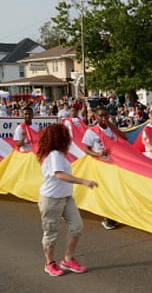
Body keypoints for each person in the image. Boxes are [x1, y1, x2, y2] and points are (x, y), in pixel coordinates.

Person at [36, 123, 98, 276]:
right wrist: (83, 181)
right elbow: (59, 175)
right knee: (51, 233)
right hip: (51, 199)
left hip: (65, 198)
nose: (69, 138)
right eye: (66, 135)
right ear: (59, 137)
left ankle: (68, 259)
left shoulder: (59, 154)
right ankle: (49, 263)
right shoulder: (55, 155)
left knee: (76, 226)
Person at [82, 107, 122, 230]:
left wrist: (110, 124)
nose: (104, 118)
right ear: (96, 117)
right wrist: (98, 154)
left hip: (113, 164)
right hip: (100, 166)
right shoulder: (91, 132)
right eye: (101, 116)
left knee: (114, 190)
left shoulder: (111, 130)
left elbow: (124, 138)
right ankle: (108, 218)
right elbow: (86, 149)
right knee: (106, 191)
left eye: (106, 115)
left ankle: (112, 214)